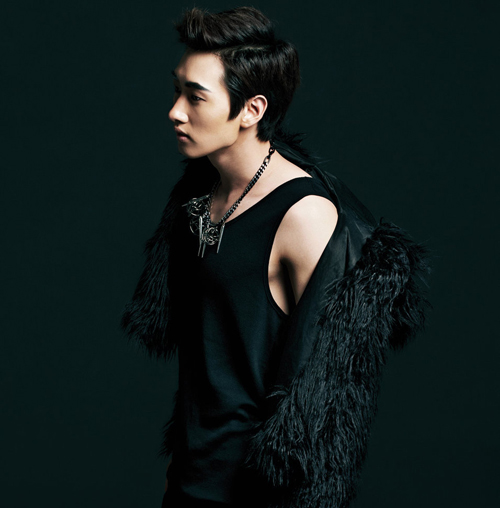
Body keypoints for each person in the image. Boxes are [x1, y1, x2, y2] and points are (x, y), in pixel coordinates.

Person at [120, 6, 431, 508]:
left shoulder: (304, 216)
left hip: (258, 493)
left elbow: (322, 401)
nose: (175, 111)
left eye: (195, 96)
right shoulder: (199, 194)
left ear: (252, 109)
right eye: (177, 90)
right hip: (190, 480)